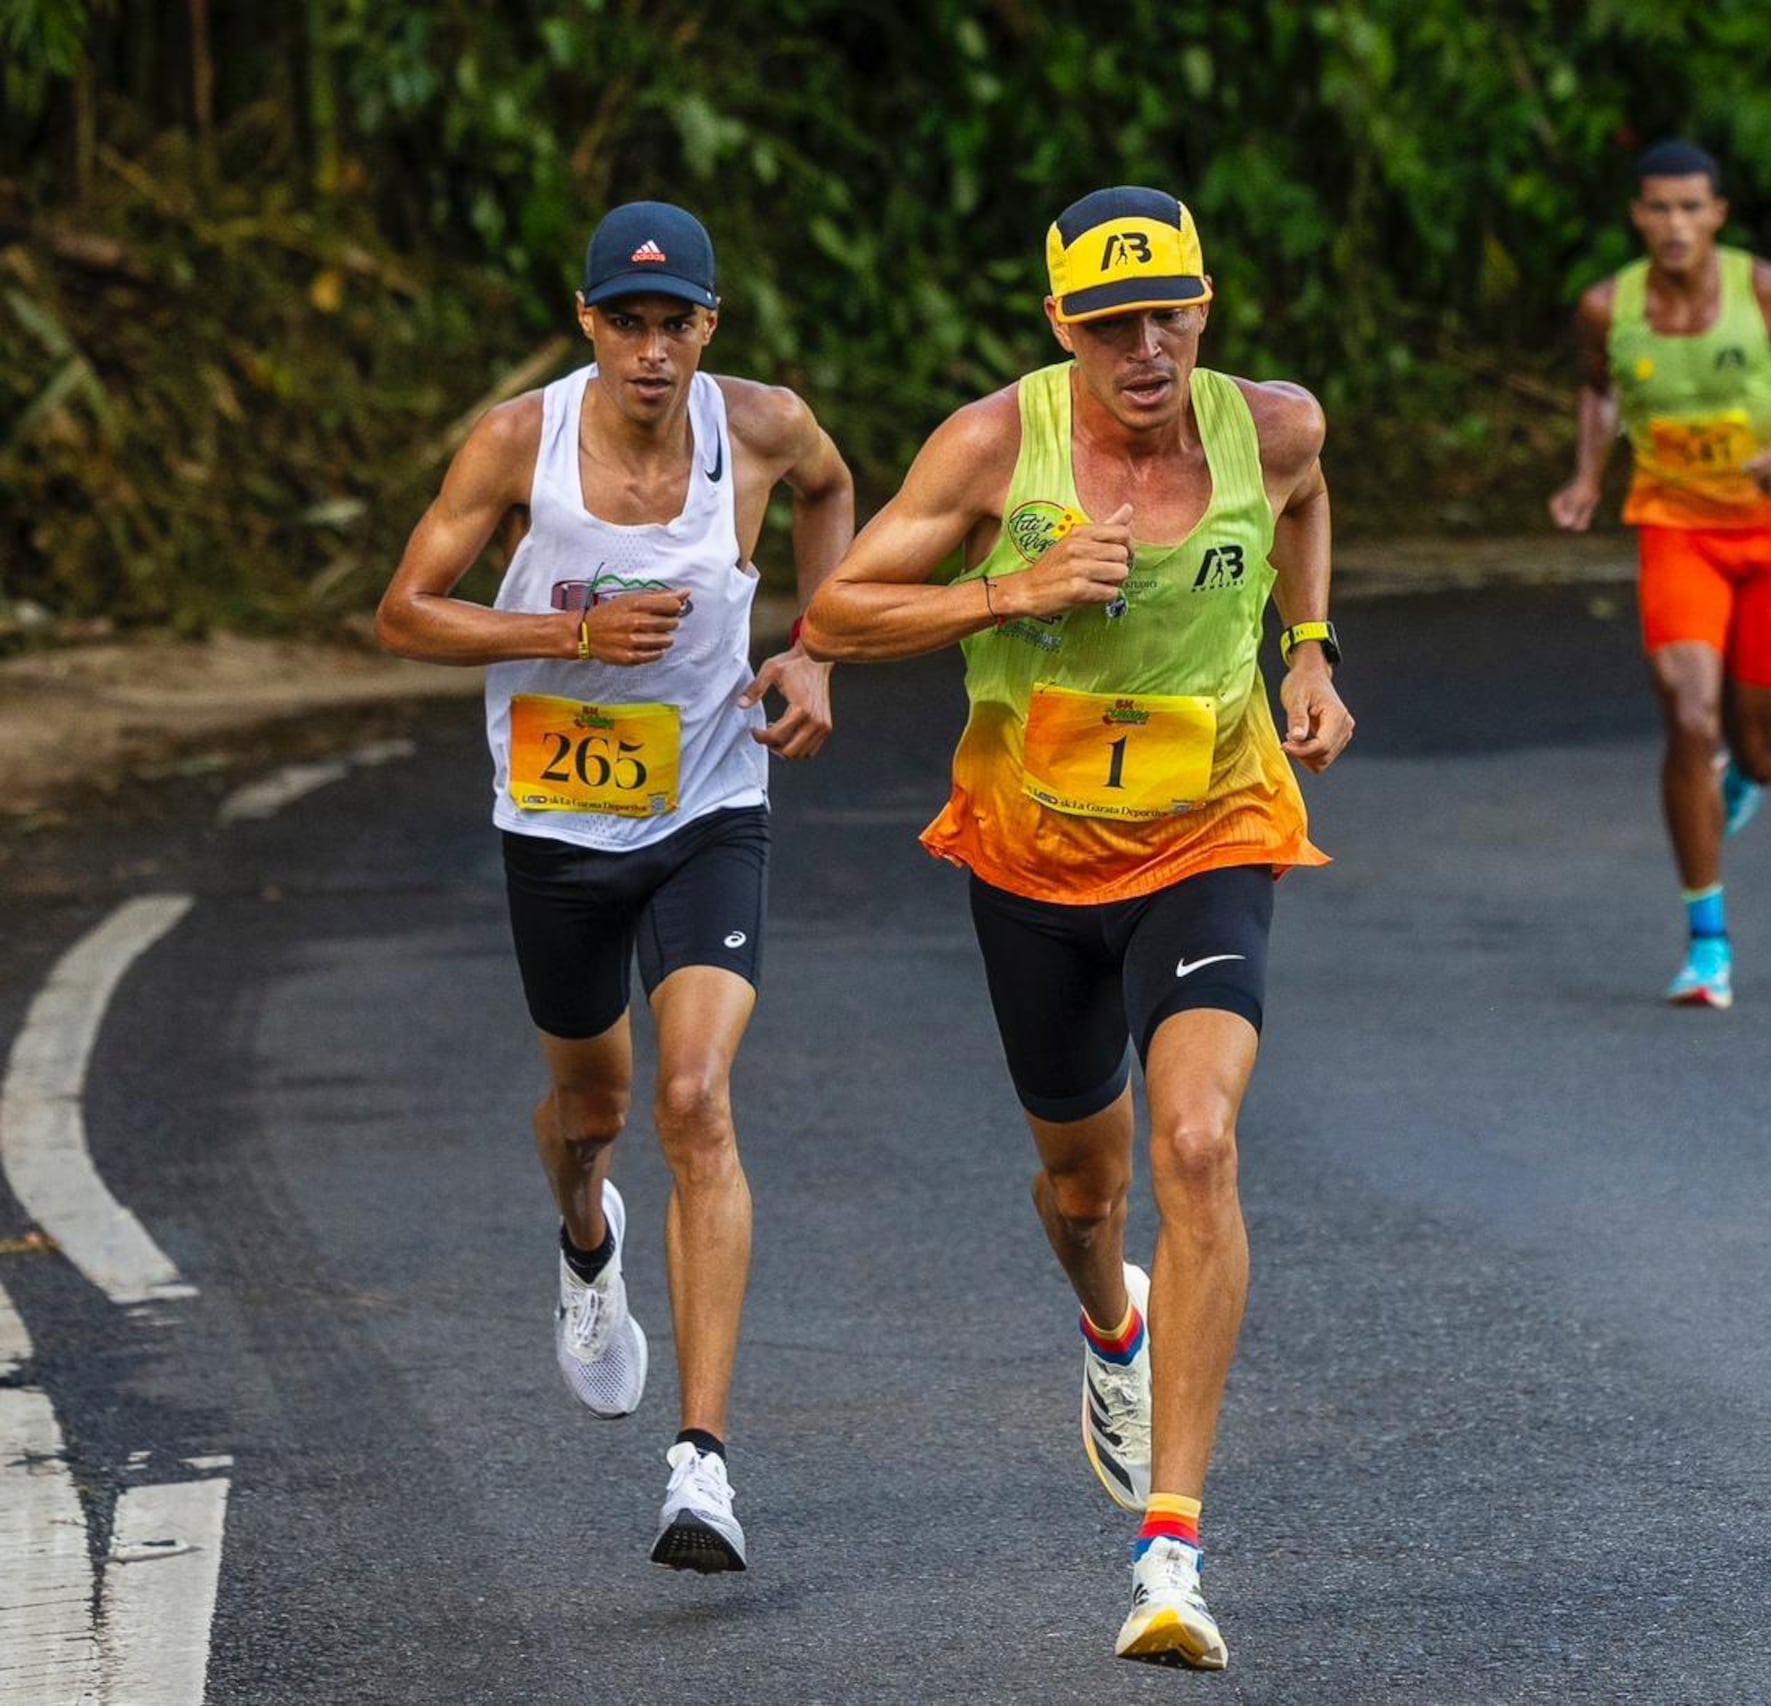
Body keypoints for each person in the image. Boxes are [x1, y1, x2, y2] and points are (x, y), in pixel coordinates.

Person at [801, 185, 1352, 1670]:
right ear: (1063, 328)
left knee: (1199, 1144)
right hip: (1034, 860)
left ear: (1205, 305)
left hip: (1212, 831)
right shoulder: (998, 443)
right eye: (1111, 324)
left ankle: (1168, 1552)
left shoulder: (1273, 424)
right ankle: (1112, 1327)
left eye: (1169, 311)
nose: (1147, 345)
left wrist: (1307, 650)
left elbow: (1304, 500)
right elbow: (838, 614)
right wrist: (1014, 587)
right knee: (1080, 1190)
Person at [375, 201, 853, 1572]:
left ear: (711, 324)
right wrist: (564, 627)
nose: (653, 350)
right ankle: (587, 1239)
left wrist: (814, 648)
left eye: (677, 323)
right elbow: (405, 610)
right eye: (627, 321)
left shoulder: (759, 427)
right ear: (586, 321)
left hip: (710, 805)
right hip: (559, 822)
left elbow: (834, 494)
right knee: (589, 1108)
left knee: (694, 1097)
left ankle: (700, 1463)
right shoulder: (521, 441)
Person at [1550, 139, 1771, 1007]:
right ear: (1637, 215)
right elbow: (1600, 389)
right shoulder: (1605, 308)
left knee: (1761, 753)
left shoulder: (1766, 291)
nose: (1675, 224)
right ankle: (1707, 946)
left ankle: (1740, 782)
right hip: (1676, 525)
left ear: (1718, 214)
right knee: (1690, 716)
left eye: (1692, 207)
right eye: (1658, 207)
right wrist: (1588, 473)